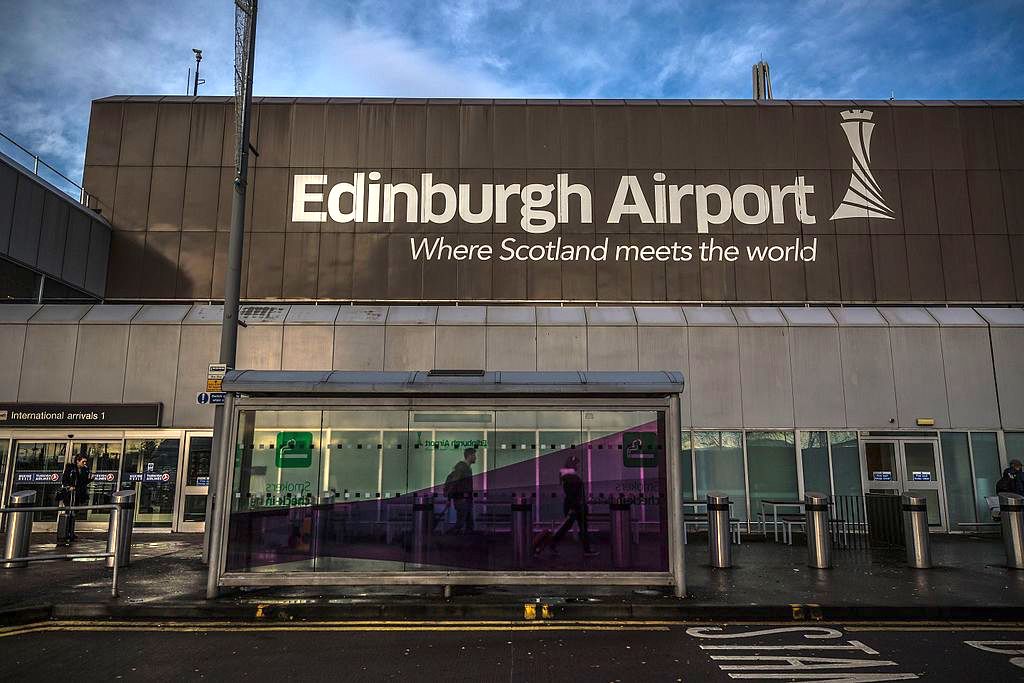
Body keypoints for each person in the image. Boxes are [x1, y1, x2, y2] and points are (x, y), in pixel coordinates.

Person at [541, 454, 598, 557]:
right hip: (576, 506)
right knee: (581, 527)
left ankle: (553, 544)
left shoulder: (568, 477)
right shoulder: (572, 477)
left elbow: (571, 493)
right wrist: (575, 506)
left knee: (569, 527)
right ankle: (586, 549)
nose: (577, 465)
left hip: (574, 506)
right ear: (572, 464)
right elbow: (573, 494)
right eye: (576, 463)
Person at [59, 454, 92, 541]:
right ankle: (66, 532)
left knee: (74, 512)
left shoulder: (85, 470)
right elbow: (64, 480)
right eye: (83, 461)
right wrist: (69, 486)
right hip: (70, 494)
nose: (84, 463)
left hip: (78, 493)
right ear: (77, 461)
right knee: (69, 511)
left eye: (85, 462)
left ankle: (71, 532)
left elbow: (83, 482)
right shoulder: (71, 469)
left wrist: (90, 479)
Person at [444, 448, 476, 533]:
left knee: (468, 524)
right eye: (474, 455)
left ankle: (466, 543)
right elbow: (453, 483)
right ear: (469, 456)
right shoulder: (461, 467)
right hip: (462, 500)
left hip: (466, 499)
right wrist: (449, 499)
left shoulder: (467, 468)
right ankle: (448, 538)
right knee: (461, 523)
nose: (475, 458)